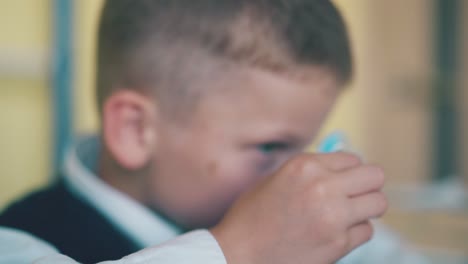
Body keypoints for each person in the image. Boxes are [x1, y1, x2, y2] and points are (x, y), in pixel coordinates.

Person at [0, 0, 415, 263]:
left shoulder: (283, 224)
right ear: (136, 130)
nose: (300, 175)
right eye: (270, 146)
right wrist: (242, 252)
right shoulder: (20, 242)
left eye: (306, 146)